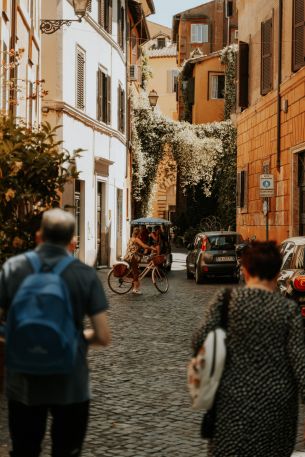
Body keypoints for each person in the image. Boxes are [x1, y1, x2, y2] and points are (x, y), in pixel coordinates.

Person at [0, 208, 111, 457]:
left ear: (39, 236)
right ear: (73, 242)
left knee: (24, 451)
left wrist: (14, 336)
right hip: (71, 383)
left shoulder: (13, 268)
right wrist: (76, 337)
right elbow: (103, 336)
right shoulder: (85, 275)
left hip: (23, 383)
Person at [192, 241, 305, 457]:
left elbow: (199, 340)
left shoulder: (226, 300)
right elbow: (301, 366)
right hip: (277, 411)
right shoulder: (287, 310)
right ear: (276, 273)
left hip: (230, 404)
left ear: (245, 270)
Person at [124, 227, 156, 295]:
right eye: (140, 233)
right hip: (132, 257)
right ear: (138, 233)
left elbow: (132, 249)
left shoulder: (131, 239)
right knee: (136, 273)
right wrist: (151, 247)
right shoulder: (136, 239)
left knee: (135, 271)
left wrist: (141, 254)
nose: (140, 234)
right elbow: (144, 246)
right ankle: (135, 289)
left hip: (128, 256)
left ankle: (134, 285)